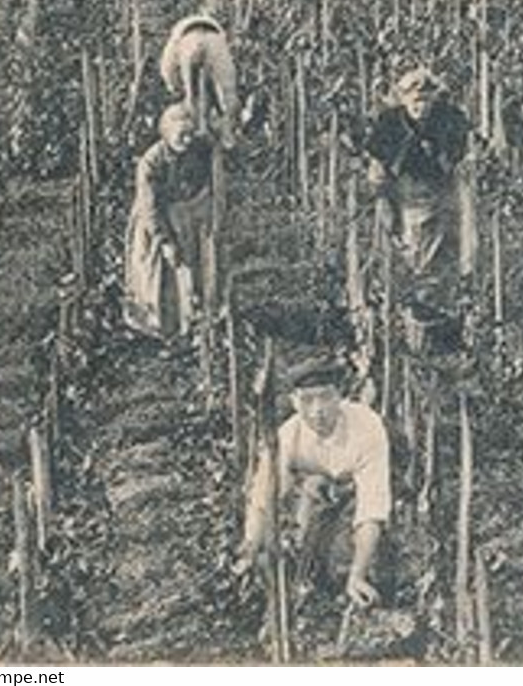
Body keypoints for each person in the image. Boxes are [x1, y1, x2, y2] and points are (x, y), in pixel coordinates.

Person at [240, 355, 391, 607]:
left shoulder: (367, 427)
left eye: (325, 397)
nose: (317, 410)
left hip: (363, 486)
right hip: (315, 491)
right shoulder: (287, 436)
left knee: (351, 566)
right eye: (307, 400)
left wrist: (358, 575)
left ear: (340, 396)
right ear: (294, 402)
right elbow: (262, 497)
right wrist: (250, 546)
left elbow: (372, 508)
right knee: (291, 557)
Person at [365, 68, 472, 332]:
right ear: (403, 100)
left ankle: (439, 311)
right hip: (407, 197)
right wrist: (382, 198)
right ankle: (414, 312)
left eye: (425, 100)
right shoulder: (389, 124)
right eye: (414, 101)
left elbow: (458, 156)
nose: (420, 107)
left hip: (444, 194)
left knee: (447, 251)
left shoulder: (448, 119)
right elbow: (379, 169)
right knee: (413, 248)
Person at [123, 104, 215, 337]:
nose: (186, 139)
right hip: (156, 222)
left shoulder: (197, 151)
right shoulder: (151, 163)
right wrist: (164, 242)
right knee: (157, 272)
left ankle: (191, 320)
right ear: (165, 134)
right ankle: (156, 323)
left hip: (184, 218)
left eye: (190, 133)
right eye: (180, 135)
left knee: (190, 269)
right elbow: (149, 207)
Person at [160, 14, 240, 150]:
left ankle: (197, 135)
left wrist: (174, 86)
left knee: (191, 100)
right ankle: (227, 137)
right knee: (228, 100)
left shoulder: (175, 40)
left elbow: (167, 68)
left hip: (188, 43)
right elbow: (227, 78)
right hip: (215, 43)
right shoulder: (218, 37)